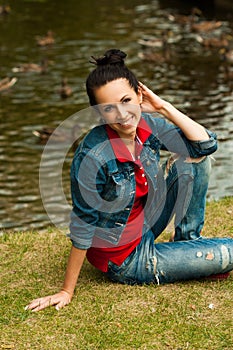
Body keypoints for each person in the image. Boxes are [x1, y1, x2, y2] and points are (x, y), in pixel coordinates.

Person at [25, 49, 233, 312]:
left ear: (139, 94)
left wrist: (163, 107)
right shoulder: (92, 156)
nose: (122, 115)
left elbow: (204, 146)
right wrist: (66, 290)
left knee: (193, 160)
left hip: (147, 222)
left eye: (126, 100)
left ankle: (187, 242)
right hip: (125, 256)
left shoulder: (148, 124)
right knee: (229, 252)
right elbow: (83, 223)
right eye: (109, 109)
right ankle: (194, 258)